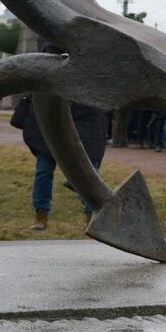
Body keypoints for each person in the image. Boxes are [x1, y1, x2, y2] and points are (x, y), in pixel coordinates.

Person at [23, 83, 109, 230]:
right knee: (44, 170)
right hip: (52, 115)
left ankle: (92, 218)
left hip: (86, 118)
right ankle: (41, 215)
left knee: (90, 172)